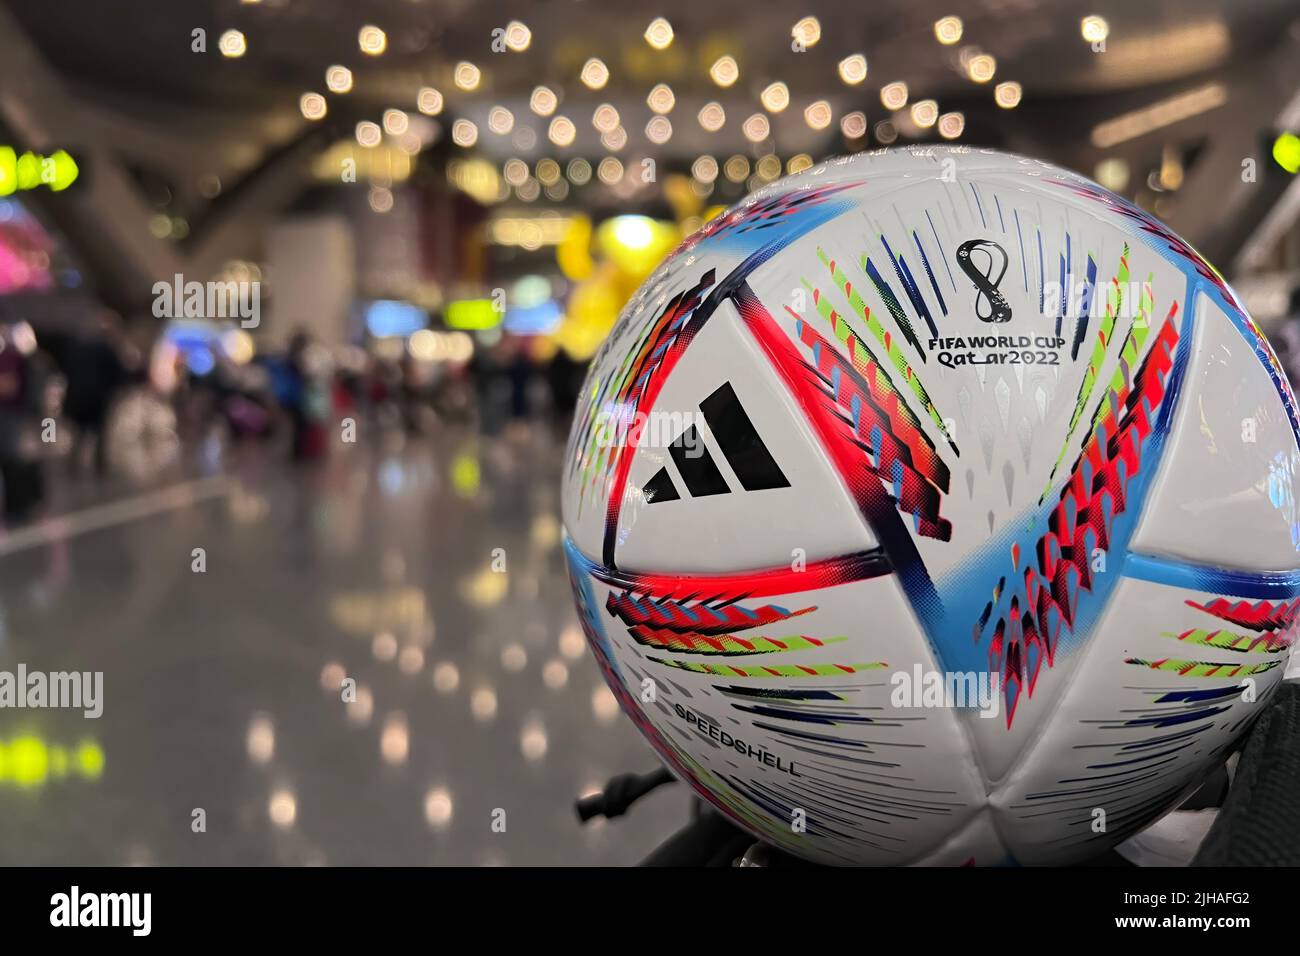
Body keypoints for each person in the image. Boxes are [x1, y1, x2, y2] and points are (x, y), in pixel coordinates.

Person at [63, 309, 128, 476]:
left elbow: (68, 371)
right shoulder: (107, 349)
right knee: (99, 434)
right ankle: (100, 468)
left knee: (79, 434)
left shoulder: (78, 347)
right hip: (98, 398)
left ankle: (73, 467)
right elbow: (118, 373)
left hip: (79, 396)